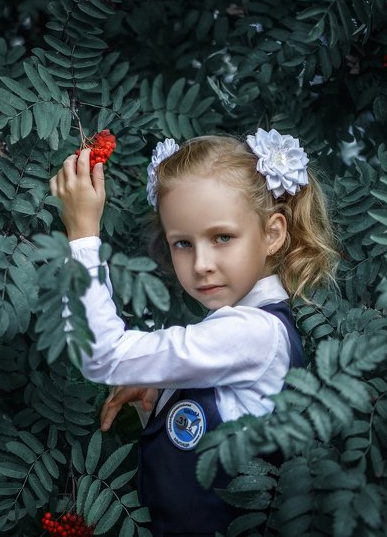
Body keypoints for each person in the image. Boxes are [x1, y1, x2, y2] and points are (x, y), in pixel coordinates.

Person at [48, 130, 338, 537]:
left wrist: (81, 234)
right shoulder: (240, 331)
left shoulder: (253, 334)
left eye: (222, 237)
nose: (201, 263)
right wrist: (163, 396)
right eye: (182, 243)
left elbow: (101, 354)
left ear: (273, 234)